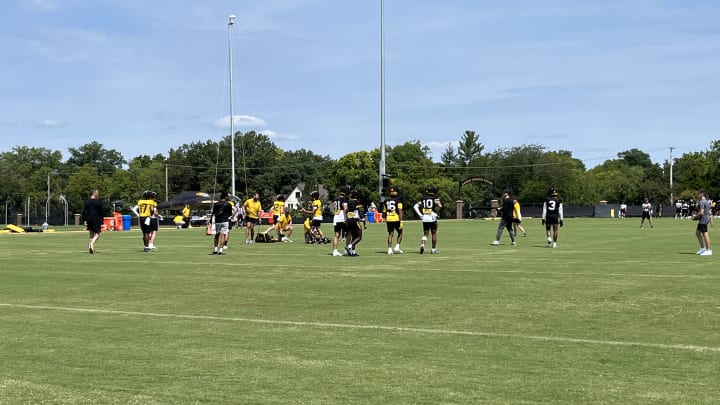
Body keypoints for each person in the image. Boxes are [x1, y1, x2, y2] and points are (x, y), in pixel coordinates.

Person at [414, 185, 442, 254]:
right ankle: (433, 249)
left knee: (425, 234)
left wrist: (420, 215)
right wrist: (436, 213)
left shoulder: (423, 198)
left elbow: (415, 206)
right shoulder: (435, 198)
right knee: (434, 233)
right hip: (432, 217)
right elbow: (440, 206)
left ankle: (422, 245)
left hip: (425, 217)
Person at [383, 186, 404, 254]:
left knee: (390, 234)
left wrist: (384, 217)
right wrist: (401, 220)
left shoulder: (386, 200)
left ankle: (389, 249)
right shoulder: (398, 200)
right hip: (396, 218)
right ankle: (397, 247)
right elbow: (400, 211)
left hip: (389, 218)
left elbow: (384, 211)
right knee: (400, 233)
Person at [345, 188, 365, 256]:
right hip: (355, 219)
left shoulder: (349, 201)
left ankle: (353, 252)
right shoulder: (357, 202)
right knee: (359, 236)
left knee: (354, 236)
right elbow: (360, 211)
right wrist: (363, 219)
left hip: (349, 219)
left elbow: (347, 210)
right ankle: (349, 246)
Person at [83, 189, 103, 254]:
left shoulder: (87, 202)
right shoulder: (98, 202)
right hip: (96, 219)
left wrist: (85, 220)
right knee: (97, 234)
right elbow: (101, 212)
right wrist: (102, 220)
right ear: (94, 193)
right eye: (97, 193)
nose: (98, 194)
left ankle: (91, 248)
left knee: (91, 234)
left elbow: (84, 212)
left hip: (89, 220)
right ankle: (91, 244)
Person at [331, 185, 349, 257]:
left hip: (336, 216)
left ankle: (335, 251)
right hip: (343, 217)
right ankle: (346, 250)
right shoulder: (344, 198)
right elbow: (345, 208)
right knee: (348, 234)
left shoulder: (336, 198)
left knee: (336, 235)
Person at [694, 190, 713, 256]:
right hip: (705, 219)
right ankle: (703, 248)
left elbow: (701, 212)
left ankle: (708, 250)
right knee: (697, 233)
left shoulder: (702, 202)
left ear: (702, 195)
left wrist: (695, 217)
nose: (698, 195)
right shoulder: (706, 201)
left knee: (705, 234)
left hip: (703, 219)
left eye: (699, 194)